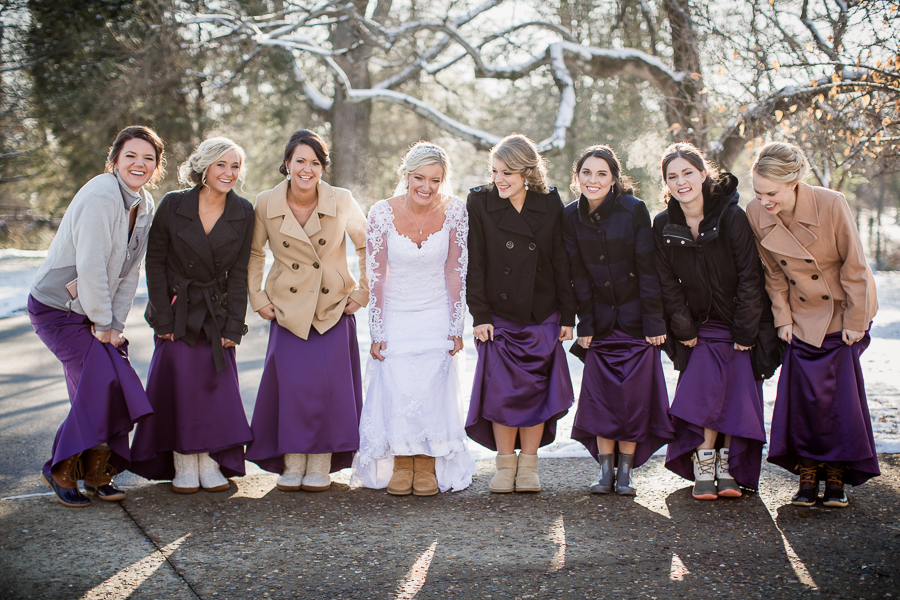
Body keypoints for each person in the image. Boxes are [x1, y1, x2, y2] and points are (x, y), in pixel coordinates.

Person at [28, 126, 162, 507]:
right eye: (131, 156)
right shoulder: (102, 195)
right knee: (103, 381)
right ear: (115, 160)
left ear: (156, 166)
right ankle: (61, 467)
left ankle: (95, 470)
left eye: (148, 158)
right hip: (59, 309)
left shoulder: (144, 203)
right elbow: (90, 267)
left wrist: (115, 325)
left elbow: (128, 272)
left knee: (107, 384)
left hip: (93, 311)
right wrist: (103, 324)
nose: (140, 164)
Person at [746, 141, 879, 508]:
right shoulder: (755, 212)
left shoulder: (831, 203)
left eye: (771, 193)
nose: (764, 200)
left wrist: (855, 319)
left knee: (838, 400)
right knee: (802, 399)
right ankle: (807, 472)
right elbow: (773, 273)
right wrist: (783, 317)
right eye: (758, 192)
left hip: (841, 312)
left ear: (793, 183)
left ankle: (835, 474)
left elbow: (855, 265)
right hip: (800, 317)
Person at [245, 129, 369, 492]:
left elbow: (369, 248)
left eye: (315, 162)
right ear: (286, 164)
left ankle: (320, 465)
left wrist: (361, 294)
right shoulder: (266, 202)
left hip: (332, 307)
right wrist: (258, 298)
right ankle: (293, 462)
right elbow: (254, 253)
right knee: (293, 389)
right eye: (300, 160)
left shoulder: (342, 199)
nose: (307, 168)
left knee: (330, 390)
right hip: (287, 308)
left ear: (322, 168)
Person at [130, 137, 255, 493]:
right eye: (221, 165)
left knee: (215, 390)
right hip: (177, 309)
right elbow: (154, 262)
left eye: (235, 166)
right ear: (203, 167)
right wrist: (162, 319)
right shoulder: (173, 204)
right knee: (181, 388)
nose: (229, 172)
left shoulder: (244, 211)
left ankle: (212, 462)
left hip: (216, 314)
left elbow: (241, 272)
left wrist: (235, 324)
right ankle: (185, 463)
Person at [351, 142, 476, 496]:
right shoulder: (381, 212)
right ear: (406, 176)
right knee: (398, 382)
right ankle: (402, 461)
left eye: (435, 179)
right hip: (396, 312)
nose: (426, 186)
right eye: (419, 177)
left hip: (437, 309)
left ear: (443, 180)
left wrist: (455, 326)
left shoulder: (456, 212)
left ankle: (427, 461)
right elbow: (376, 275)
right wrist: (377, 328)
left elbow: (456, 271)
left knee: (434, 383)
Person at [654, 142, 768, 500]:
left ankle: (729, 466)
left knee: (736, 387)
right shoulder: (664, 224)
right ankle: (704, 464)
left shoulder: (732, 217)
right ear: (667, 184)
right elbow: (666, 284)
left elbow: (751, 276)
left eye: (688, 172)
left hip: (739, 324)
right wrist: (684, 329)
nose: (681, 181)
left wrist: (746, 329)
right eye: (672, 176)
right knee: (702, 388)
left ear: (703, 174)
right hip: (697, 328)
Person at [465, 133, 576, 493]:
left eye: (508, 172)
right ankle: (503, 464)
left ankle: (529, 467)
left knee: (535, 392)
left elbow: (562, 261)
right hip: (499, 316)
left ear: (527, 172)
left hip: (541, 312)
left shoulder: (550, 204)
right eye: (495, 170)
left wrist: (568, 316)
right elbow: (475, 263)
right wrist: (480, 314)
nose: (499, 179)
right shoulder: (480, 203)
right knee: (501, 394)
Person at [562, 145, 673, 496]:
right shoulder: (569, 216)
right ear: (577, 177)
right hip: (600, 324)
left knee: (633, 401)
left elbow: (648, 268)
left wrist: (654, 321)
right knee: (600, 399)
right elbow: (577, 275)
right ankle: (605, 470)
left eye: (601, 174)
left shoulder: (634, 210)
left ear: (614, 178)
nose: (593, 180)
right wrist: (587, 324)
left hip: (637, 322)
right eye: (586, 173)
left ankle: (626, 472)